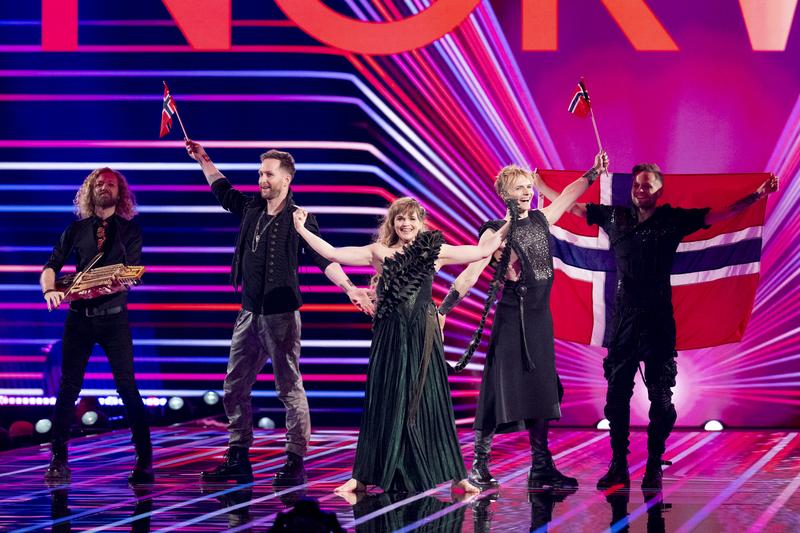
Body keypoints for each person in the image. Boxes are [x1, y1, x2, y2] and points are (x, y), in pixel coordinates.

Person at [537, 163, 778, 490]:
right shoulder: (616, 216)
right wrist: (542, 187)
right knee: (616, 399)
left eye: (647, 186)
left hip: (658, 320)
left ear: (658, 191)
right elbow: (573, 208)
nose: (640, 190)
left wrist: (756, 196)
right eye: (637, 185)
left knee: (661, 400)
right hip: (623, 321)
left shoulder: (671, 220)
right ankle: (618, 466)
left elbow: (718, 215)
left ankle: (654, 465)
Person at [185, 140, 374, 485]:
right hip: (249, 314)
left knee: (288, 387)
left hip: (282, 316)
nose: (262, 179)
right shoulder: (251, 209)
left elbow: (323, 259)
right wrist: (203, 158)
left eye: (269, 174)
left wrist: (350, 289)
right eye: (260, 173)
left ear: (286, 179)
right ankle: (238, 456)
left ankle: (294, 459)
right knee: (234, 386)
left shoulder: (300, 218)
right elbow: (222, 189)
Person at [293, 197, 510, 493]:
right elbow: (332, 253)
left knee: (432, 400)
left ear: (421, 223)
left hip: (423, 332)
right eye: (400, 219)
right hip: (390, 332)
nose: (406, 224)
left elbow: (482, 251)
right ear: (392, 223)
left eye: (411, 219)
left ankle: (456, 475)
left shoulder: (435, 251)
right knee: (384, 397)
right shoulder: (378, 252)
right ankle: (362, 476)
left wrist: (512, 220)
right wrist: (302, 229)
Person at [438, 152, 608, 491]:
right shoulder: (495, 232)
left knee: (543, 389)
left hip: (539, 318)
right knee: (496, 388)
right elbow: (472, 272)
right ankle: (480, 465)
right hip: (511, 318)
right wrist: (443, 311)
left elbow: (568, 195)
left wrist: (593, 171)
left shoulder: (542, 219)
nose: (527, 192)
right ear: (505, 194)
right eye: (519, 188)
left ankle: (541, 465)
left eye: (529, 186)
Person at [41, 167, 152, 484]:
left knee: (127, 388)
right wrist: (50, 291)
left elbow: (130, 275)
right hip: (79, 319)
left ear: (120, 192)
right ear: (91, 190)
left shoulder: (130, 231)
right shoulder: (76, 230)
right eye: (99, 183)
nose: (105, 187)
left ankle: (145, 461)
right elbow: (51, 266)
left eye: (111, 184)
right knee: (68, 389)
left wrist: (94, 286)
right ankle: (58, 460)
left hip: (114, 319)